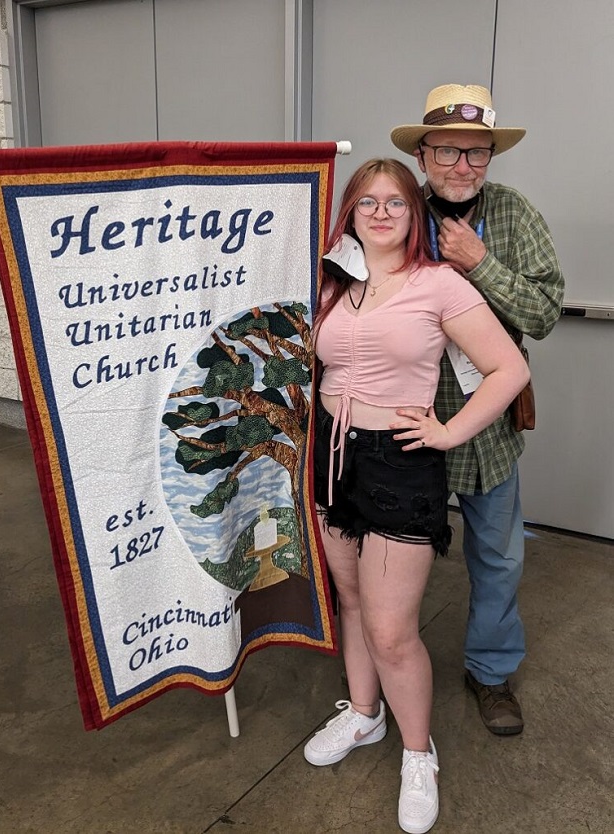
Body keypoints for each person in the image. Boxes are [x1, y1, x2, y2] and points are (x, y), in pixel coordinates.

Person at [303, 157, 530, 834]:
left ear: (414, 215)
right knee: (350, 602)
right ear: (350, 213)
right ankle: (366, 717)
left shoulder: (438, 285)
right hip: (331, 459)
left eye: (395, 203)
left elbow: (508, 368)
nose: (380, 213)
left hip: (401, 464)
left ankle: (417, 752)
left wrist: (449, 430)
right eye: (366, 202)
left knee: (392, 629)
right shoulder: (334, 281)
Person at [390, 84, 564, 736]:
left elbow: (545, 314)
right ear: (423, 152)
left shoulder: (514, 215)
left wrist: (482, 263)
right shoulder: (393, 210)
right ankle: (387, 664)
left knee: (498, 555)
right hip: (404, 426)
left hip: (486, 427)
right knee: (391, 557)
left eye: (478, 153)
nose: (463, 166)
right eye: (449, 151)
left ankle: (490, 674)